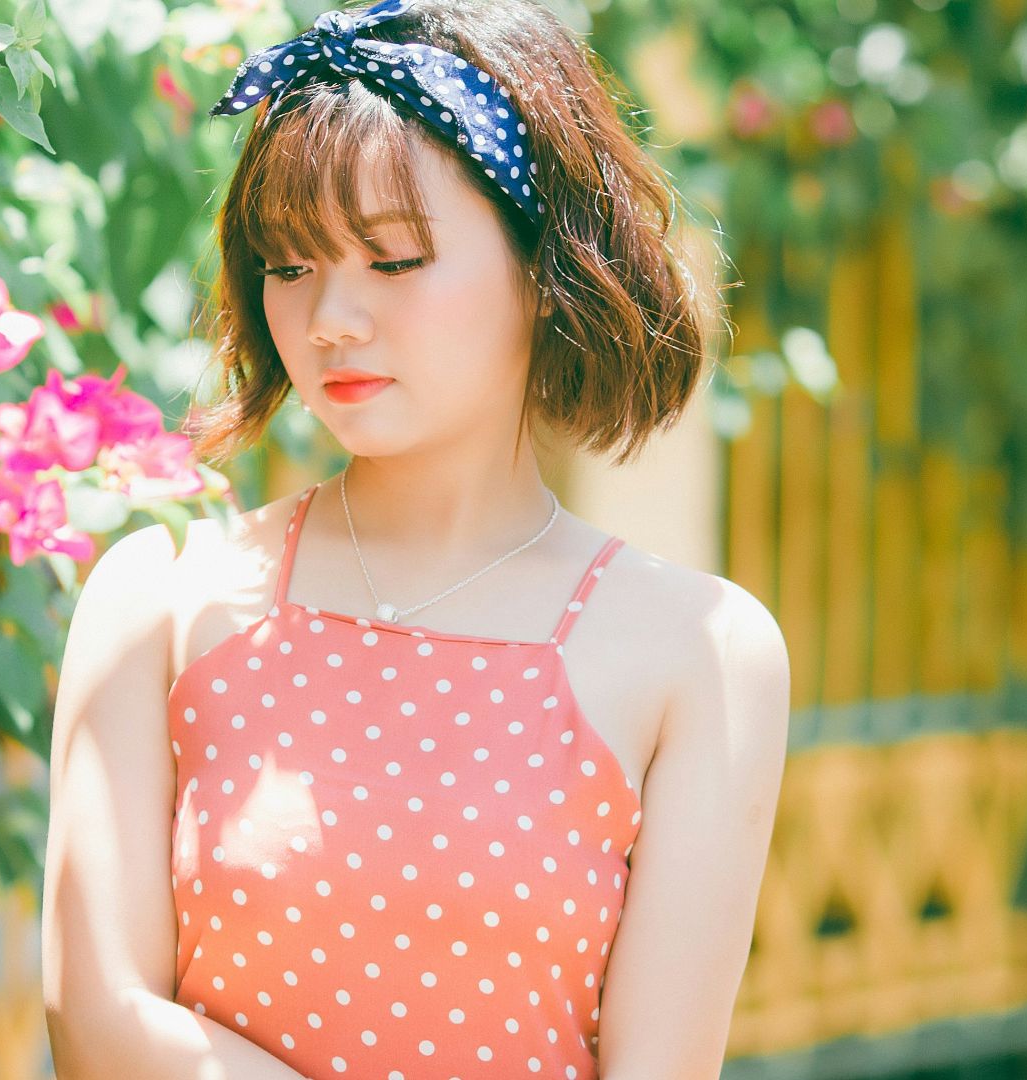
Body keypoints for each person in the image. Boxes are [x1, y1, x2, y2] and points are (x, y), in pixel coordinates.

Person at [42, 1, 791, 1077]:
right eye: (290, 264)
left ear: (546, 267)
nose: (332, 317)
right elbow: (99, 1019)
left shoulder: (701, 651)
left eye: (392, 261)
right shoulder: (161, 598)